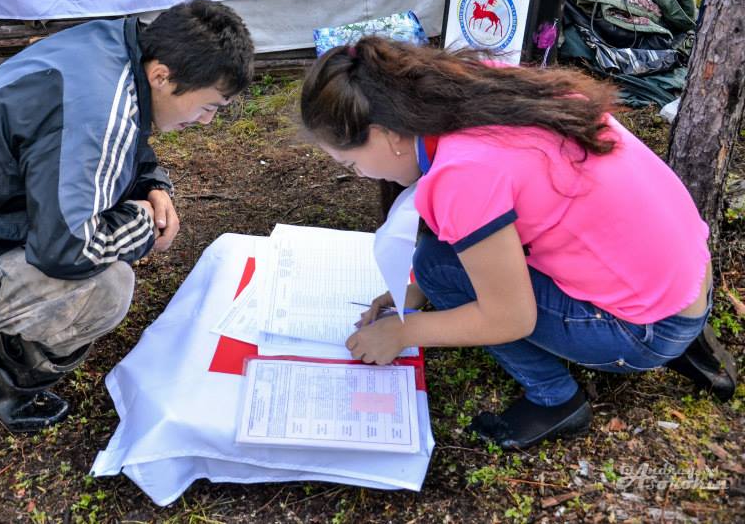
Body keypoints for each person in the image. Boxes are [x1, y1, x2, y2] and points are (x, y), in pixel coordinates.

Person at [299, 37, 737, 449]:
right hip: (689, 275)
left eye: (350, 162)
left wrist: (403, 331)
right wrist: (407, 294)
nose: (359, 175)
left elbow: (510, 318)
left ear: (386, 133)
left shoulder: (462, 176)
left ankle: (555, 400)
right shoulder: (473, 89)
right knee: (433, 268)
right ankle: (686, 337)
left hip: (646, 328)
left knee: (435, 265)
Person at [0, 0, 254, 433]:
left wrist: (152, 184)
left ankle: (0, 331)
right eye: (209, 106)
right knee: (105, 287)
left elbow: (118, 140)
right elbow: (68, 250)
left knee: (98, 231)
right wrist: (143, 224)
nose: (205, 122)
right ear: (161, 76)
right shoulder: (96, 106)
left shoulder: (111, 49)